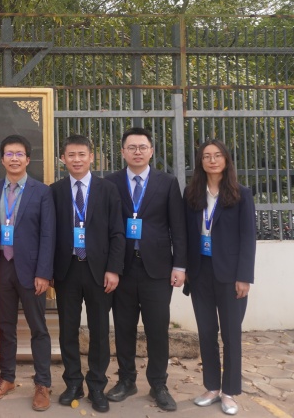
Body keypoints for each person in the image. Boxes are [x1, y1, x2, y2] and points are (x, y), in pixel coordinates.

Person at [104, 127, 186, 411]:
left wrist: (180, 265)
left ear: (151, 151)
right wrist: (109, 267)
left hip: (158, 269)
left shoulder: (167, 182)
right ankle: (126, 380)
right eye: (131, 147)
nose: (137, 152)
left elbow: (178, 227)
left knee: (157, 330)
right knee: (123, 328)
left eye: (142, 147)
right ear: (123, 152)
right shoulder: (111, 183)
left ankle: (158, 384)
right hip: (122, 268)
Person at [50, 134, 124, 413]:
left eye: (82, 154)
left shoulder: (107, 190)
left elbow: (117, 233)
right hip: (67, 270)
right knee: (67, 330)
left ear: (91, 157)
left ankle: (96, 385)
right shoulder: (55, 191)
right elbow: (49, 234)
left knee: (100, 331)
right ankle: (73, 383)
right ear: (63, 159)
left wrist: (114, 269)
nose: (77, 160)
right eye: (71, 155)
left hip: (99, 271)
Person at [0, 135, 55, 411]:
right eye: (9, 154)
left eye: (19, 154)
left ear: (28, 159)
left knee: (38, 328)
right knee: (6, 326)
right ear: (2, 159)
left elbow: (48, 234)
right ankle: (7, 378)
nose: (14, 158)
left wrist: (44, 273)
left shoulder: (41, 191)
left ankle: (42, 383)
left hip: (32, 270)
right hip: (2, 267)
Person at [184, 139, 256, 416]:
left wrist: (244, 277)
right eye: (206, 156)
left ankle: (229, 392)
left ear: (226, 159)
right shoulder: (192, 193)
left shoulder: (241, 194)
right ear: (200, 162)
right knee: (206, 332)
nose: (212, 160)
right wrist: (185, 268)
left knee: (231, 334)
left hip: (230, 275)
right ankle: (212, 387)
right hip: (200, 271)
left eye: (217, 155)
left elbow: (248, 238)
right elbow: (186, 234)